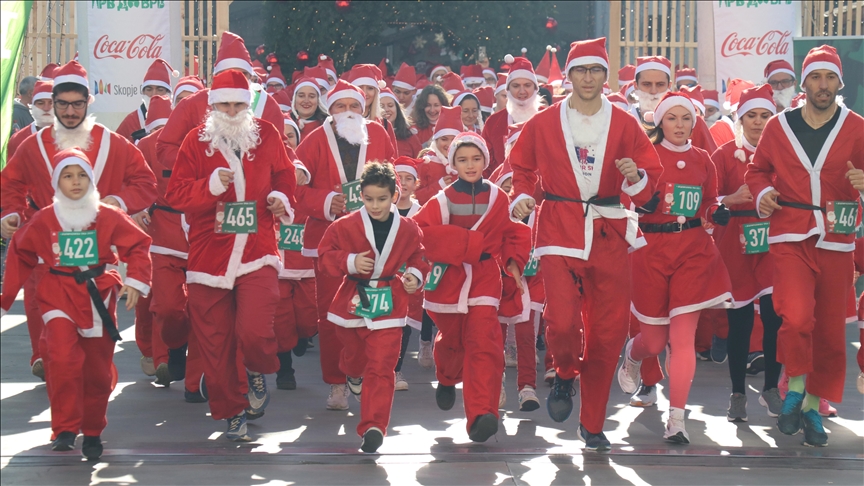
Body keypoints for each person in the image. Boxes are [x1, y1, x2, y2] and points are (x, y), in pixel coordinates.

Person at [509, 38, 662, 451]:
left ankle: (592, 424)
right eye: (580, 70)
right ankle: (563, 372)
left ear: (605, 75)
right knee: (560, 322)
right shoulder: (543, 122)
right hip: (559, 227)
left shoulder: (626, 123)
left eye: (596, 70)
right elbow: (520, 165)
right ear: (569, 76)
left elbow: (651, 186)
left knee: (608, 335)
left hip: (610, 232)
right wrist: (522, 194)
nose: (588, 78)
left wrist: (635, 177)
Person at [1, 60, 158, 380]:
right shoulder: (33, 145)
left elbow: (145, 181)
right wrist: (11, 213)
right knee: (51, 332)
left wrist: (119, 201)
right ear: (51, 103)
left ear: (89, 102)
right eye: (62, 104)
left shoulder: (113, 143)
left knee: (96, 357)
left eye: (77, 104)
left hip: (98, 256)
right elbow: (10, 183)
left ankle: (90, 405)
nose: (70, 112)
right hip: (50, 251)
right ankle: (49, 368)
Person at [165, 69, 298, 441]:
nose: (231, 109)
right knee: (215, 344)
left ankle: (257, 371)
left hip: (257, 249)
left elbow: (285, 175)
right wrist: (209, 186)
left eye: (239, 103)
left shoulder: (267, 135)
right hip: (209, 256)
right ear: (211, 104)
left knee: (255, 331)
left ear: (249, 105)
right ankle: (231, 412)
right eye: (224, 103)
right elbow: (176, 194)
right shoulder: (195, 141)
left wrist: (281, 197)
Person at [745, 44, 864, 447]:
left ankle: (812, 407)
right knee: (795, 316)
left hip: (837, 237)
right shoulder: (779, 126)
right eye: (815, 77)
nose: (823, 85)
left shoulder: (858, 127)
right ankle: (795, 384)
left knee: (830, 330)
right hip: (790, 231)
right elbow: (757, 170)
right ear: (805, 81)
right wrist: (763, 195)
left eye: (830, 77)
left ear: (839, 82)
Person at [0, 147, 152, 461]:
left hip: (98, 296)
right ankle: (65, 428)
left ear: (92, 180)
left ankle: (93, 430)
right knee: (61, 358)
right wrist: (5, 298)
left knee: (96, 371)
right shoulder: (44, 218)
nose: (75, 182)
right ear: (56, 182)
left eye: (82, 175)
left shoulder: (106, 214)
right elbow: (20, 251)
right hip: (56, 293)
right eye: (67, 176)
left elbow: (137, 244)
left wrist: (137, 280)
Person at [617, 92, 733, 444]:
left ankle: (677, 419)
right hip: (651, 252)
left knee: (682, 338)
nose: (680, 125)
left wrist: (717, 212)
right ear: (660, 122)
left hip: (694, 253)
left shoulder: (704, 159)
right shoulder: (645, 158)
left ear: (695, 122)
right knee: (654, 341)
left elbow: (709, 202)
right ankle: (633, 355)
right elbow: (630, 199)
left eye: (687, 118)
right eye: (673, 118)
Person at [413, 132, 530, 443]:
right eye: (463, 159)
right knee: (452, 340)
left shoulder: (498, 198)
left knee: (484, 344)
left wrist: (514, 264)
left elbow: (509, 233)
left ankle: (482, 414)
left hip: (483, 278)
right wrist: (470, 245)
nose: (470, 165)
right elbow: (422, 233)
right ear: (453, 163)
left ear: (485, 160)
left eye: (476, 158)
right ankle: (447, 377)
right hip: (448, 280)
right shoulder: (442, 200)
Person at [294, 80, 396, 411]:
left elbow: (393, 180)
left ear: (363, 108)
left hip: (373, 237)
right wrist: (326, 201)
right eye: (341, 106)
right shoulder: (313, 140)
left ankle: (363, 374)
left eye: (354, 106)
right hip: (330, 239)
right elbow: (295, 188)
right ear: (331, 109)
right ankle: (336, 383)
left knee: (370, 310)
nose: (348, 112)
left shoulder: (378, 135)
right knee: (330, 315)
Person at [318, 162, 426, 453]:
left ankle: (374, 427)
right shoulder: (344, 225)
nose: (375, 205)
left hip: (390, 302)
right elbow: (324, 257)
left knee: (382, 367)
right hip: (353, 299)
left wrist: (415, 275)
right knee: (354, 356)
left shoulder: (407, 227)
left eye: (382, 198)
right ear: (361, 196)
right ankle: (351, 373)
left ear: (394, 195)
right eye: (369, 199)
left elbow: (418, 256)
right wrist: (350, 261)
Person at [710, 84, 784, 421]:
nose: (758, 122)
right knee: (739, 324)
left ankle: (770, 388)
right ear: (740, 119)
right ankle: (738, 393)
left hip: (774, 244)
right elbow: (705, 199)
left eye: (765, 115)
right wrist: (727, 201)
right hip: (734, 245)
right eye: (751, 115)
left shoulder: (785, 153)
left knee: (774, 318)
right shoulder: (724, 154)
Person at [157, 31, 286, 171]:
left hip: (256, 190)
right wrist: (197, 167)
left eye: (241, 74)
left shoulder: (267, 105)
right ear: (216, 77)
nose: (234, 79)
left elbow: (281, 150)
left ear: (251, 77)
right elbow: (166, 146)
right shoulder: (192, 104)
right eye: (227, 73)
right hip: (204, 188)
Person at [392, 156, 424, 390]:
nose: (403, 183)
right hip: (385, 276)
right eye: (398, 178)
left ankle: (395, 369)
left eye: (408, 179)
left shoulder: (421, 211)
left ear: (416, 184)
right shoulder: (382, 208)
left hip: (409, 276)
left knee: (404, 323)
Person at [482, 56, 541, 177]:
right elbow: (484, 164)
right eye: (516, 86)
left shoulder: (548, 118)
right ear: (508, 89)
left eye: (527, 85)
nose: (522, 91)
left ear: (535, 88)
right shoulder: (494, 122)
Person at [116, 59, 178, 142]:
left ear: (169, 93)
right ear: (143, 92)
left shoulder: (176, 118)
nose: (154, 94)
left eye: (160, 90)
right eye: (149, 89)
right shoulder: (131, 120)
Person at [414, 106, 461, 204]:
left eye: (453, 139)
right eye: (444, 139)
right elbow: (414, 197)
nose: (449, 144)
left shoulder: (465, 163)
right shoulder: (426, 162)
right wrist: (438, 186)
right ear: (436, 140)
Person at [7, 79, 54, 159]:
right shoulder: (18, 138)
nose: (46, 108)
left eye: (51, 102)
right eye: (40, 103)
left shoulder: (69, 135)